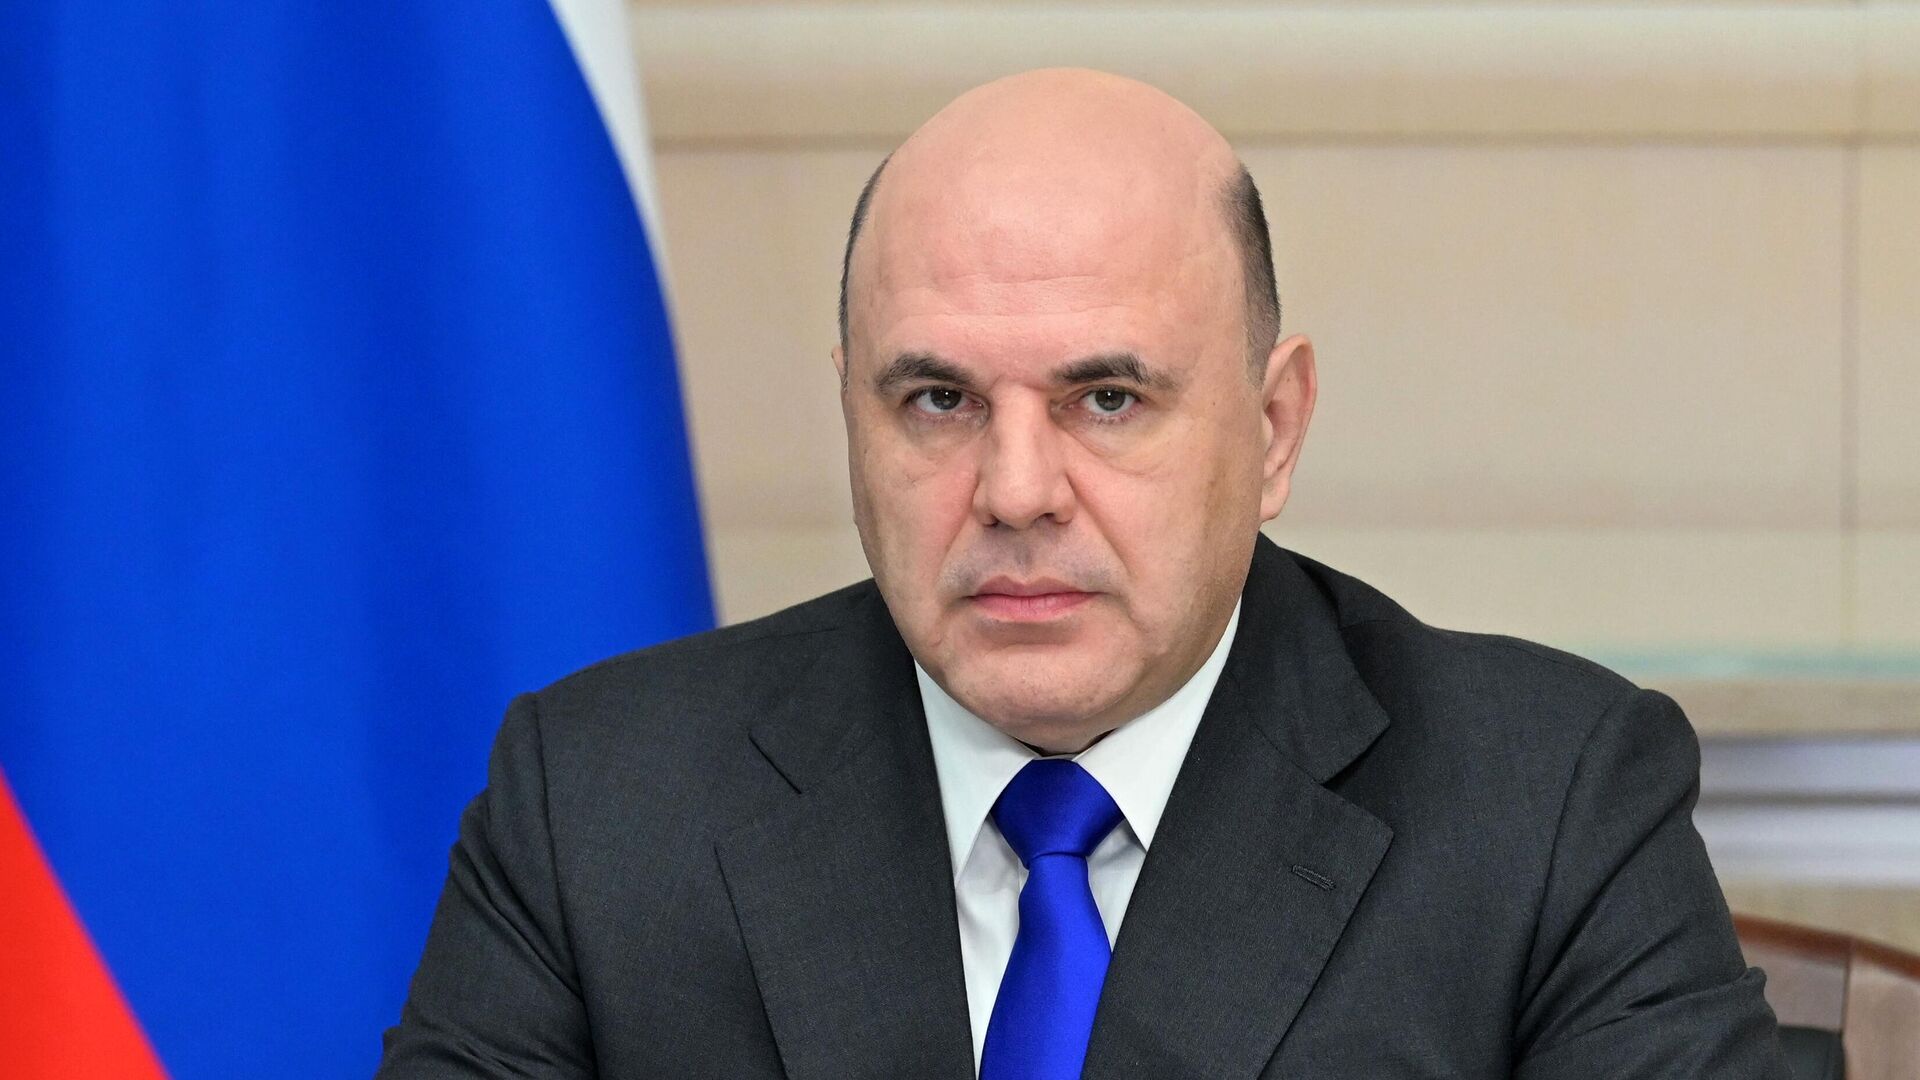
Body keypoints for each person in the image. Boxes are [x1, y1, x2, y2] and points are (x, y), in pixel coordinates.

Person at [377, 69, 1788, 1078]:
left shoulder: (1547, 804)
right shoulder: (601, 800)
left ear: (1274, 428)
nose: (1015, 490)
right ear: (852, 417)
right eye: (936, 401)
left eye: (1107, 399)